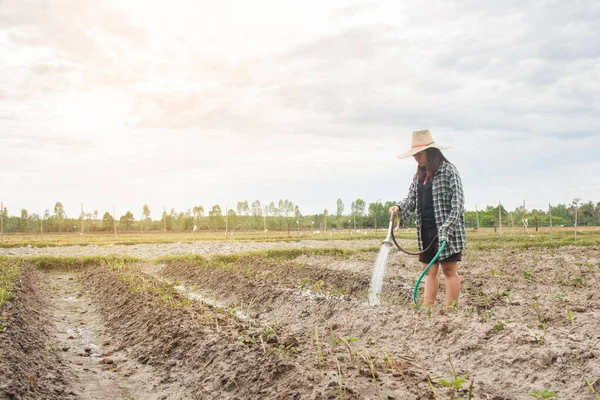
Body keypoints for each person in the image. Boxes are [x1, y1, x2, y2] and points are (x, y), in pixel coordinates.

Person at [389, 130, 466, 307]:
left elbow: (458, 203)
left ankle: (450, 312)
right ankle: (427, 310)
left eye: (419, 154)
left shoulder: (448, 171)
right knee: (429, 270)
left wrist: (448, 227)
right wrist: (399, 207)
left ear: (430, 152)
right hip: (426, 229)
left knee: (448, 269)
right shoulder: (419, 176)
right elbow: (411, 199)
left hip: (447, 230)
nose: (416, 158)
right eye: (414, 155)